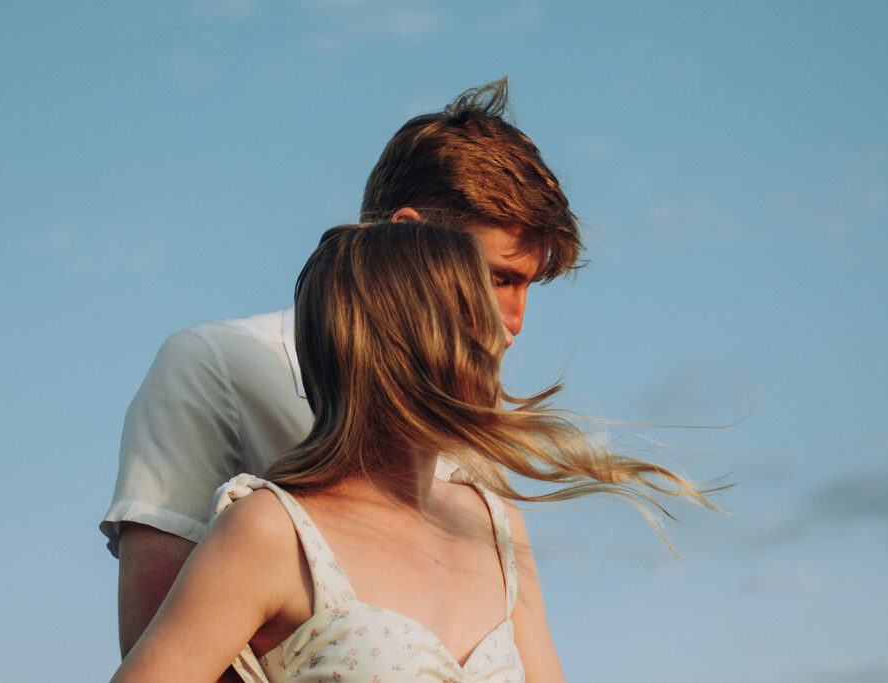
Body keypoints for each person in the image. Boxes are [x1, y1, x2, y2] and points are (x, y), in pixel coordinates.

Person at [101, 77, 584, 659]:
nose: (515, 320)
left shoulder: (472, 443)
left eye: (527, 285)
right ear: (407, 238)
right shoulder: (212, 367)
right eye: (499, 277)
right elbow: (157, 645)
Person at [111, 222, 714, 682]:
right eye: (476, 308)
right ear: (406, 338)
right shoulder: (270, 531)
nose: (502, 333)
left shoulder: (500, 527)